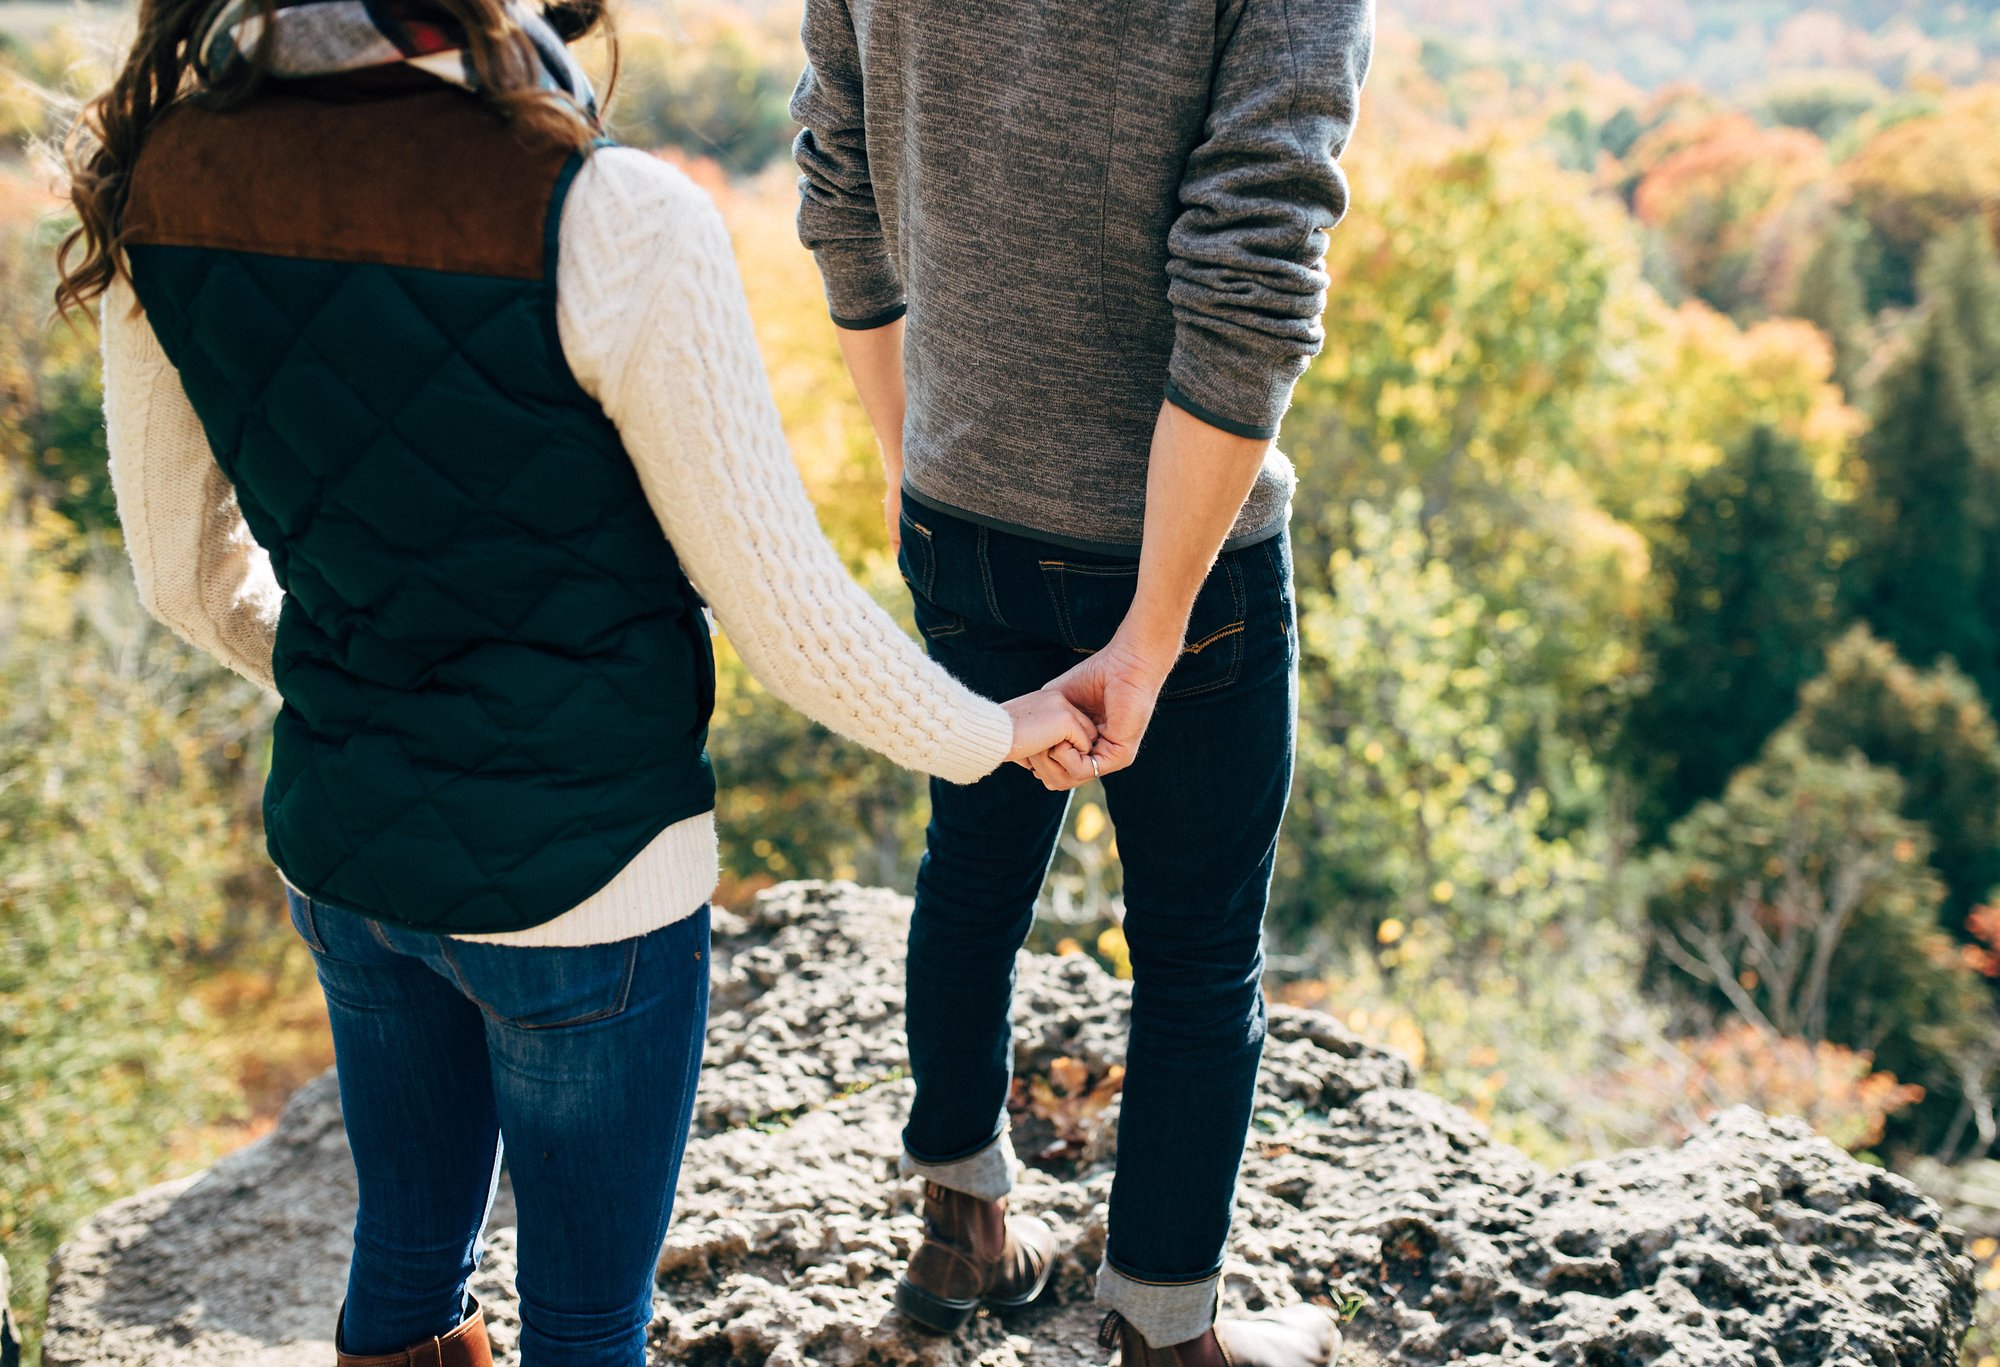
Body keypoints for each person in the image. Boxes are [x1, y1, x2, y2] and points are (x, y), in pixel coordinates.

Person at [57, 1, 1096, 1363]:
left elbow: (184, 583)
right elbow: (782, 612)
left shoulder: (169, 175)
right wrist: (992, 730)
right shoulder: (609, 213)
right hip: (591, 886)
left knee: (407, 1263)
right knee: (589, 1321)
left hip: (352, 857)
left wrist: (374, 681)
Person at [791, 1, 1375, 1363]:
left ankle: (960, 1239)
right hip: (1179, 552)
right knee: (1194, 950)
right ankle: (1166, 1336)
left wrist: (907, 458)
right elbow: (1254, 267)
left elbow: (840, 183)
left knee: (973, 874)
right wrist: (1157, 623)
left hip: (959, 502)